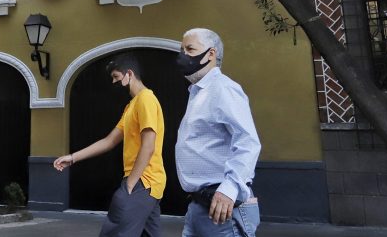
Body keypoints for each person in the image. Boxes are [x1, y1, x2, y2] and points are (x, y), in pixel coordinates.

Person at [54, 54, 166, 237]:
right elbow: (109, 141)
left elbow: (149, 145)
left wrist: (130, 184)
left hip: (143, 182)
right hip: (148, 184)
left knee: (114, 232)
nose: (113, 82)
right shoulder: (131, 106)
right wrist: (73, 158)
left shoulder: (146, 99)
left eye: (116, 77)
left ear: (129, 74)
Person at [175, 28, 262, 237]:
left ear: (211, 54)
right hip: (200, 205)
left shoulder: (223, 88)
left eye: (190, 49)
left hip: (222, 208)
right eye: (182, 50)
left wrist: (229, 189)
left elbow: (248, 142)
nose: (183, 56)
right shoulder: (198, 92)